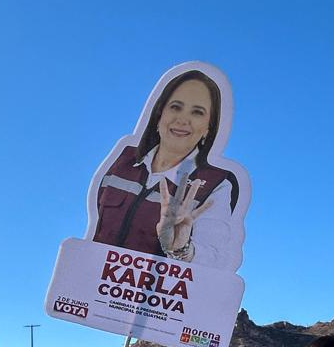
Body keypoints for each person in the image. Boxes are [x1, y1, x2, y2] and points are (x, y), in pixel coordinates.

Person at [92, 68, 242, 267]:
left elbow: (217, 259)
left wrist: (181, 249)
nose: (182, 119)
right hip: (95, 289)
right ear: (159, 114)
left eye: (197, 112)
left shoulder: (217, 184)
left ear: (208, 128)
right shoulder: (123, 160)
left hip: (155, 296)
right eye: (175, 107)